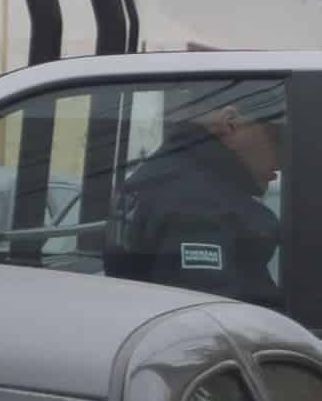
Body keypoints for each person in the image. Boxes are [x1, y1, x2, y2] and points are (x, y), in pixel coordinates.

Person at [105, 88, 285, 309]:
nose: (281, 162)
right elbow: (222, 321)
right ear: (231, 124)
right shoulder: (201, 208)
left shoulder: (160, 177)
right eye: (278, 138)